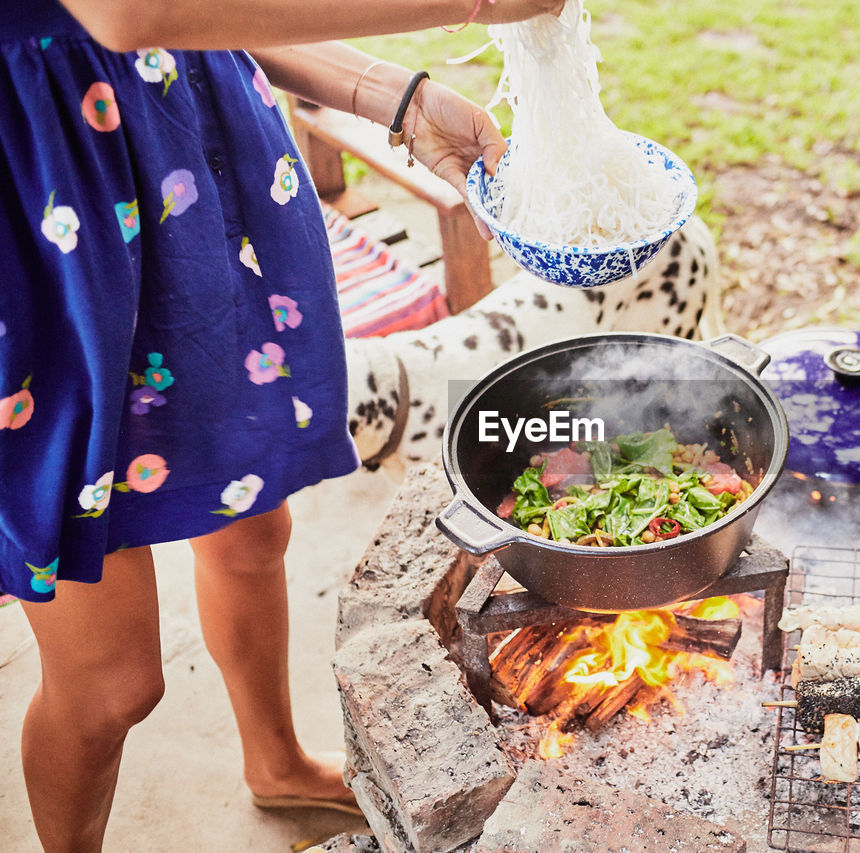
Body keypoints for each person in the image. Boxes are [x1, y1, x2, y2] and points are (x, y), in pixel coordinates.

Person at [0, 1, 564, 850]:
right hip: (48, 214)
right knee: (113, 681)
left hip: (189, 187)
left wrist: (398, 98)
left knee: (253, 534)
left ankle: (278, 764)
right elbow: (131, 11)